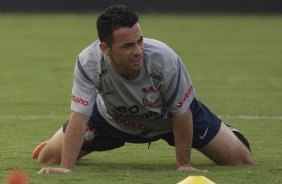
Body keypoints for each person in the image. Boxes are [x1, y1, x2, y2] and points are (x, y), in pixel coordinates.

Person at [33, 5, 254, 174]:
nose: (138, 51)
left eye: (140, 41)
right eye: (127, 46)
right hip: (112, 118)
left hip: (170, 119)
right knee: (47, 157)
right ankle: (62, 143)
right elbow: (80, 116)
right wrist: (67, 168)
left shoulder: (164, 58)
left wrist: (183, 164)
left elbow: (181, 112)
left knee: (242, 159)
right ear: (104, 49)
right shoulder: (88, 62)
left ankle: (227, 131)